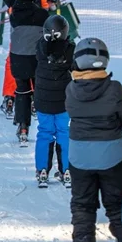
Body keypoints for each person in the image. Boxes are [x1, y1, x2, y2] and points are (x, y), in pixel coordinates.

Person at [64, 37, 122, 242]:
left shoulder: (71, 89)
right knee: (118, 204)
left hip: (80, 156)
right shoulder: (115, 88)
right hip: (112, 155)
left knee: (83, 204)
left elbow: (72, 111)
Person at [3, 0, 49, 145]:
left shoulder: (14, 14)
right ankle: (45, 124)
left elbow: (8, 0)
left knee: (22, 91)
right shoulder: (43, 15)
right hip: (37, 59)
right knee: (39, 90)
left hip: (18, 58)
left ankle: (23, 126)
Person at [34, 15, 74, 188]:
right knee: (64, 133)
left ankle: (42, 170)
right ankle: (66, 170)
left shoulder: (40, 47)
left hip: (43, 99)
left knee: (44, 133)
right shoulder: (70, 48)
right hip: (63, 100)